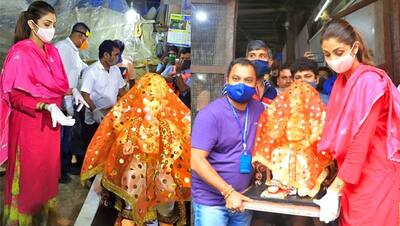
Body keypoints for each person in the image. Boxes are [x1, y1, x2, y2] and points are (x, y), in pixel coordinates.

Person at [315, 18, 400, 226]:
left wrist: (335, 189)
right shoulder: (342, 82)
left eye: (339, 52)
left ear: (355, 48)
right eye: (327, 55)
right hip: (350, 174)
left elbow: (360, 142)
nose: (333, 60)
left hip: (375, 173)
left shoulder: (369, 82)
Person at [0, 1, 77, 225]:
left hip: (50, 127)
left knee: (46, 175)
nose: (51, 29)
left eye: (53, 23)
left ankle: (42, 217)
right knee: (28, 178)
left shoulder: (51, 52)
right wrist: (46, 106)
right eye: (47, 23)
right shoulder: (19, 53)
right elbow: (14, 96)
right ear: (33, 24)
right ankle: (21, 219)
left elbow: (55, 86)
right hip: (28, 127)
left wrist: (73, 91)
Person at [80, 73, 191, 226]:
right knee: (165, 214)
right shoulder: (174, 120)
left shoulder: (128, 119)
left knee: (131, 211)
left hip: (134, 177)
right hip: (164, 178)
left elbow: (113, 138)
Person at [191, 58, 264, 226]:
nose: (241, 84)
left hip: (244, 198)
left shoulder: (259, 110)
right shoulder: (210, 114)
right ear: (227, 80)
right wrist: (228, 192)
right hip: (212, 202)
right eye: (236, 79)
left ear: (256, 84)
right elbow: (196, 160)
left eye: (248, 80)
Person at [55, 22, 91, 183]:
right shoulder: (63, 48)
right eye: (85, 38)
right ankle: (59, 172)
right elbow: (60, 77)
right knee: (61, 139)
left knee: (69, 137)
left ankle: (66, 166)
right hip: (61, 102)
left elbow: (82, 68)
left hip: (70, 100)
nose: (85, 42)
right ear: (80, 35)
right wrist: (67, 103)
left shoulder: (73, 51)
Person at [80, 40, 126, 161]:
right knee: (93, 150)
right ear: (106, 55)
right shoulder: (91, 71)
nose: (118, 57)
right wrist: (95, 111)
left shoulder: (115, 71)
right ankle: (90, 177)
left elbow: (122, 92)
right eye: (116, 54)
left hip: (111, 115)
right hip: (95, 118)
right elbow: (85, 95)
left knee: (106, 150)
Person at [246, 40, 277, 107]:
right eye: (252, 56)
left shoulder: (273, 92)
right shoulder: (236, 87)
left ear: (270, 62)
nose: (256, 59)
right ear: (246, 61)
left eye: (262, 56)